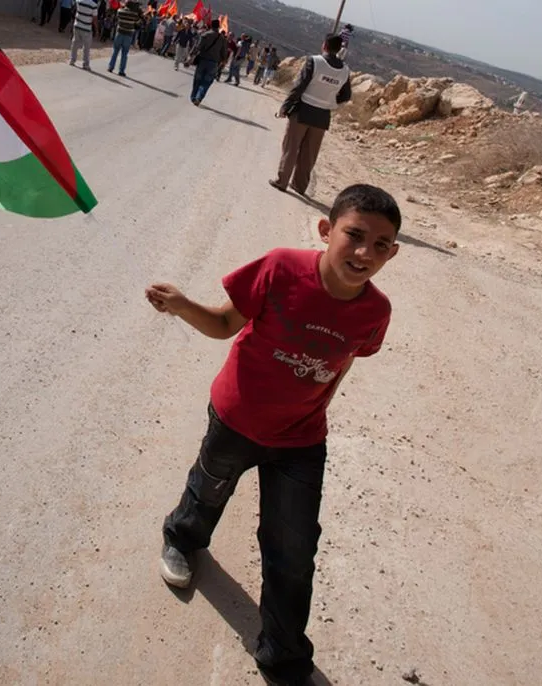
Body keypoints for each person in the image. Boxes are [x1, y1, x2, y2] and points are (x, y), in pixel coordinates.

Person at [146, 184, 401, 686]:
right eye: (354, 235)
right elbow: (225, 323)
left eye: (380, 244)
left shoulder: (376, 311)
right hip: (236, 419)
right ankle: (181, 537)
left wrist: (319, 404)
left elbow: (343, 360)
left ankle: (284, 657)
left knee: (294, 546)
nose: (364, 253)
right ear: (326, 230)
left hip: (301, 440)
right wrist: (182, 305)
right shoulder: (281, 268)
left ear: (392, 253)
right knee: (209, 488)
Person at [270, 34, 351, 196]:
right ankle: (299, 186)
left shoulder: (314, 61)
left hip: (303, 110)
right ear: (338, 49)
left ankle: (282, 181)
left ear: (324, 45)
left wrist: (286, 106)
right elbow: (346, 95)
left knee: (291, 147)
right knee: (309, 153)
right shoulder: (345, 71)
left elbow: (299, 86)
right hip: (322, 115)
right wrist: (330, 100)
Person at [187, 18, 228, 106]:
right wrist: (223, 62)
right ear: (219, 27)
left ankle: (193, 97)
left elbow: (197, 47)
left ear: (211, 25)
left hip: (202, 60)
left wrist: (190, 57)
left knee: (197, 80)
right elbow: (224, 53)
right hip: (214, 63)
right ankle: (199, 98)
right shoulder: (222, 39)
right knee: (206, 82)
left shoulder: (205, 35)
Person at [108, 1, 141, 76]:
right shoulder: (134, 15)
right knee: (124, 54)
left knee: (115, 51)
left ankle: (111, 67)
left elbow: (117, 17)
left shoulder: (120, 11)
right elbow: (138, 22)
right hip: (128, 35)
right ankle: (121, 71)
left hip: (119, 33)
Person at [70, 0, 99, 70]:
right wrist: (97, 30)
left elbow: (74, 8)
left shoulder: (79, 1)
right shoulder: (93, 5)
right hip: (87, 28)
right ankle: (86, 64)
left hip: (77, 25)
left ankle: (72, 60)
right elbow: (95, 19)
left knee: (75, 43)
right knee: (86, 47)